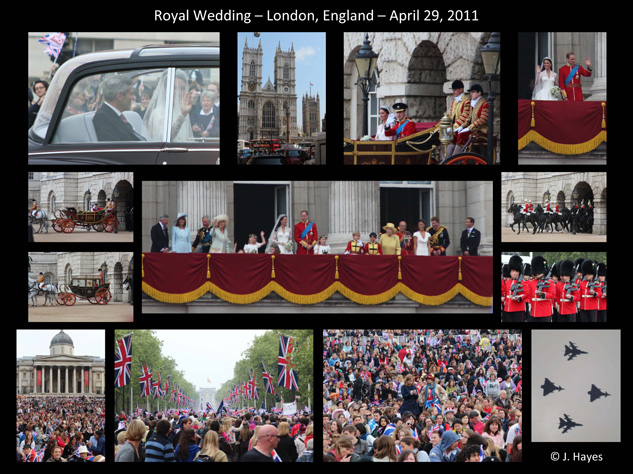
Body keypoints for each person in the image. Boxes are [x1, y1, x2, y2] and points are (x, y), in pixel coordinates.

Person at [143, 69, 194, 141]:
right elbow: (165, 138)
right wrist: (182, 114)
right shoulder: (158, 112)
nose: (179, 92)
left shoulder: (180, 110)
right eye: (175, 88)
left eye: (182, 88)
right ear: (165, 89)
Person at [93, 75, 145, 141]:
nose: (133, 98)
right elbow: (113, 148)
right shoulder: (102, 118)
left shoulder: (116, 115)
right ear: (120, 95)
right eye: (131, 94)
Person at [455, 84, 489, 153]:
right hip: (474, 129)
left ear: (479, 93)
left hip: (481, 130)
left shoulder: (485, 103)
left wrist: (470, 127)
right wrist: (462, 126)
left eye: (473, 92)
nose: (471, 94)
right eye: (470, 92)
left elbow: (483, 119)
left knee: (462, 135)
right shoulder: (472, 103)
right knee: (455, 134)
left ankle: (456, 157)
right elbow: (468, 118)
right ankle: (450, 157)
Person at [445, 80, 471, 157]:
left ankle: (454, 158)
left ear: (461, 89)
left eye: (455, 90)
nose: (453, 92)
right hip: (455, 128)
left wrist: (454, 127)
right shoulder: (454, 102)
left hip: (464, 126)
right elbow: (451, 115)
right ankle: (447, 158)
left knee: (460, 135)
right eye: (453, 90)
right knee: (449, 137)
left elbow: (464, 117)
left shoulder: (466, 101)